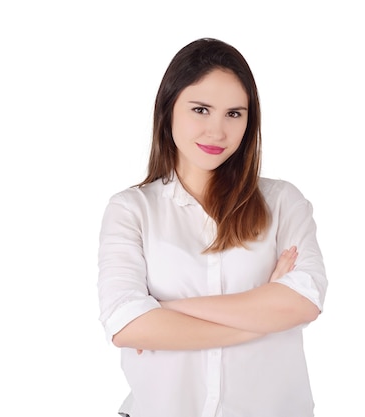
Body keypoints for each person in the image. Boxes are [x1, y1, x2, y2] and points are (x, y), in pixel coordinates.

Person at [97, 38, 328, 417]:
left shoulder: (284, 203)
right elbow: (126, 323)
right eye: (201, 110)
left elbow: (304, 300)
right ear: (168, 109)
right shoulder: (131, 210)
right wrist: (258, 322)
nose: (217, 131)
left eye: (234, 114)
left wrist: (163, 311)